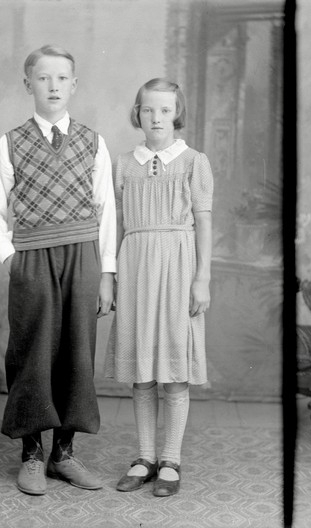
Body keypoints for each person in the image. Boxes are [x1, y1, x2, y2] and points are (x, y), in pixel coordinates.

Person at [0, 44, 116, 495]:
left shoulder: (93, 141)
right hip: (32, 258)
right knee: (33, 354)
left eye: (61, 78)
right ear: (28, 85)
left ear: (74, 85)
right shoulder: (11, 142)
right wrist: (13, 260)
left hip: (83, 256)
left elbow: (107, 211)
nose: (53, 86)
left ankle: (64, 455)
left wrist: (107, 273)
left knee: (77, 352)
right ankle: (32, 455)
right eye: (43, 78)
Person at [104, 79, 213, 498]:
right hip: (135, 266)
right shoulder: (123, 164)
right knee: (142, 372)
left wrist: (202, 278)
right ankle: (145, 456)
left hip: (179, 266)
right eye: (148, 110)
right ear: (138, 114)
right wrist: (110, 276)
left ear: (176, 114)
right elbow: (115, 226)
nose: (156, 118)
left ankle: (171, 458)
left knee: (174, 370)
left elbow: (203, 222)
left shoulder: (193, 162)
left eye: (165, 110)